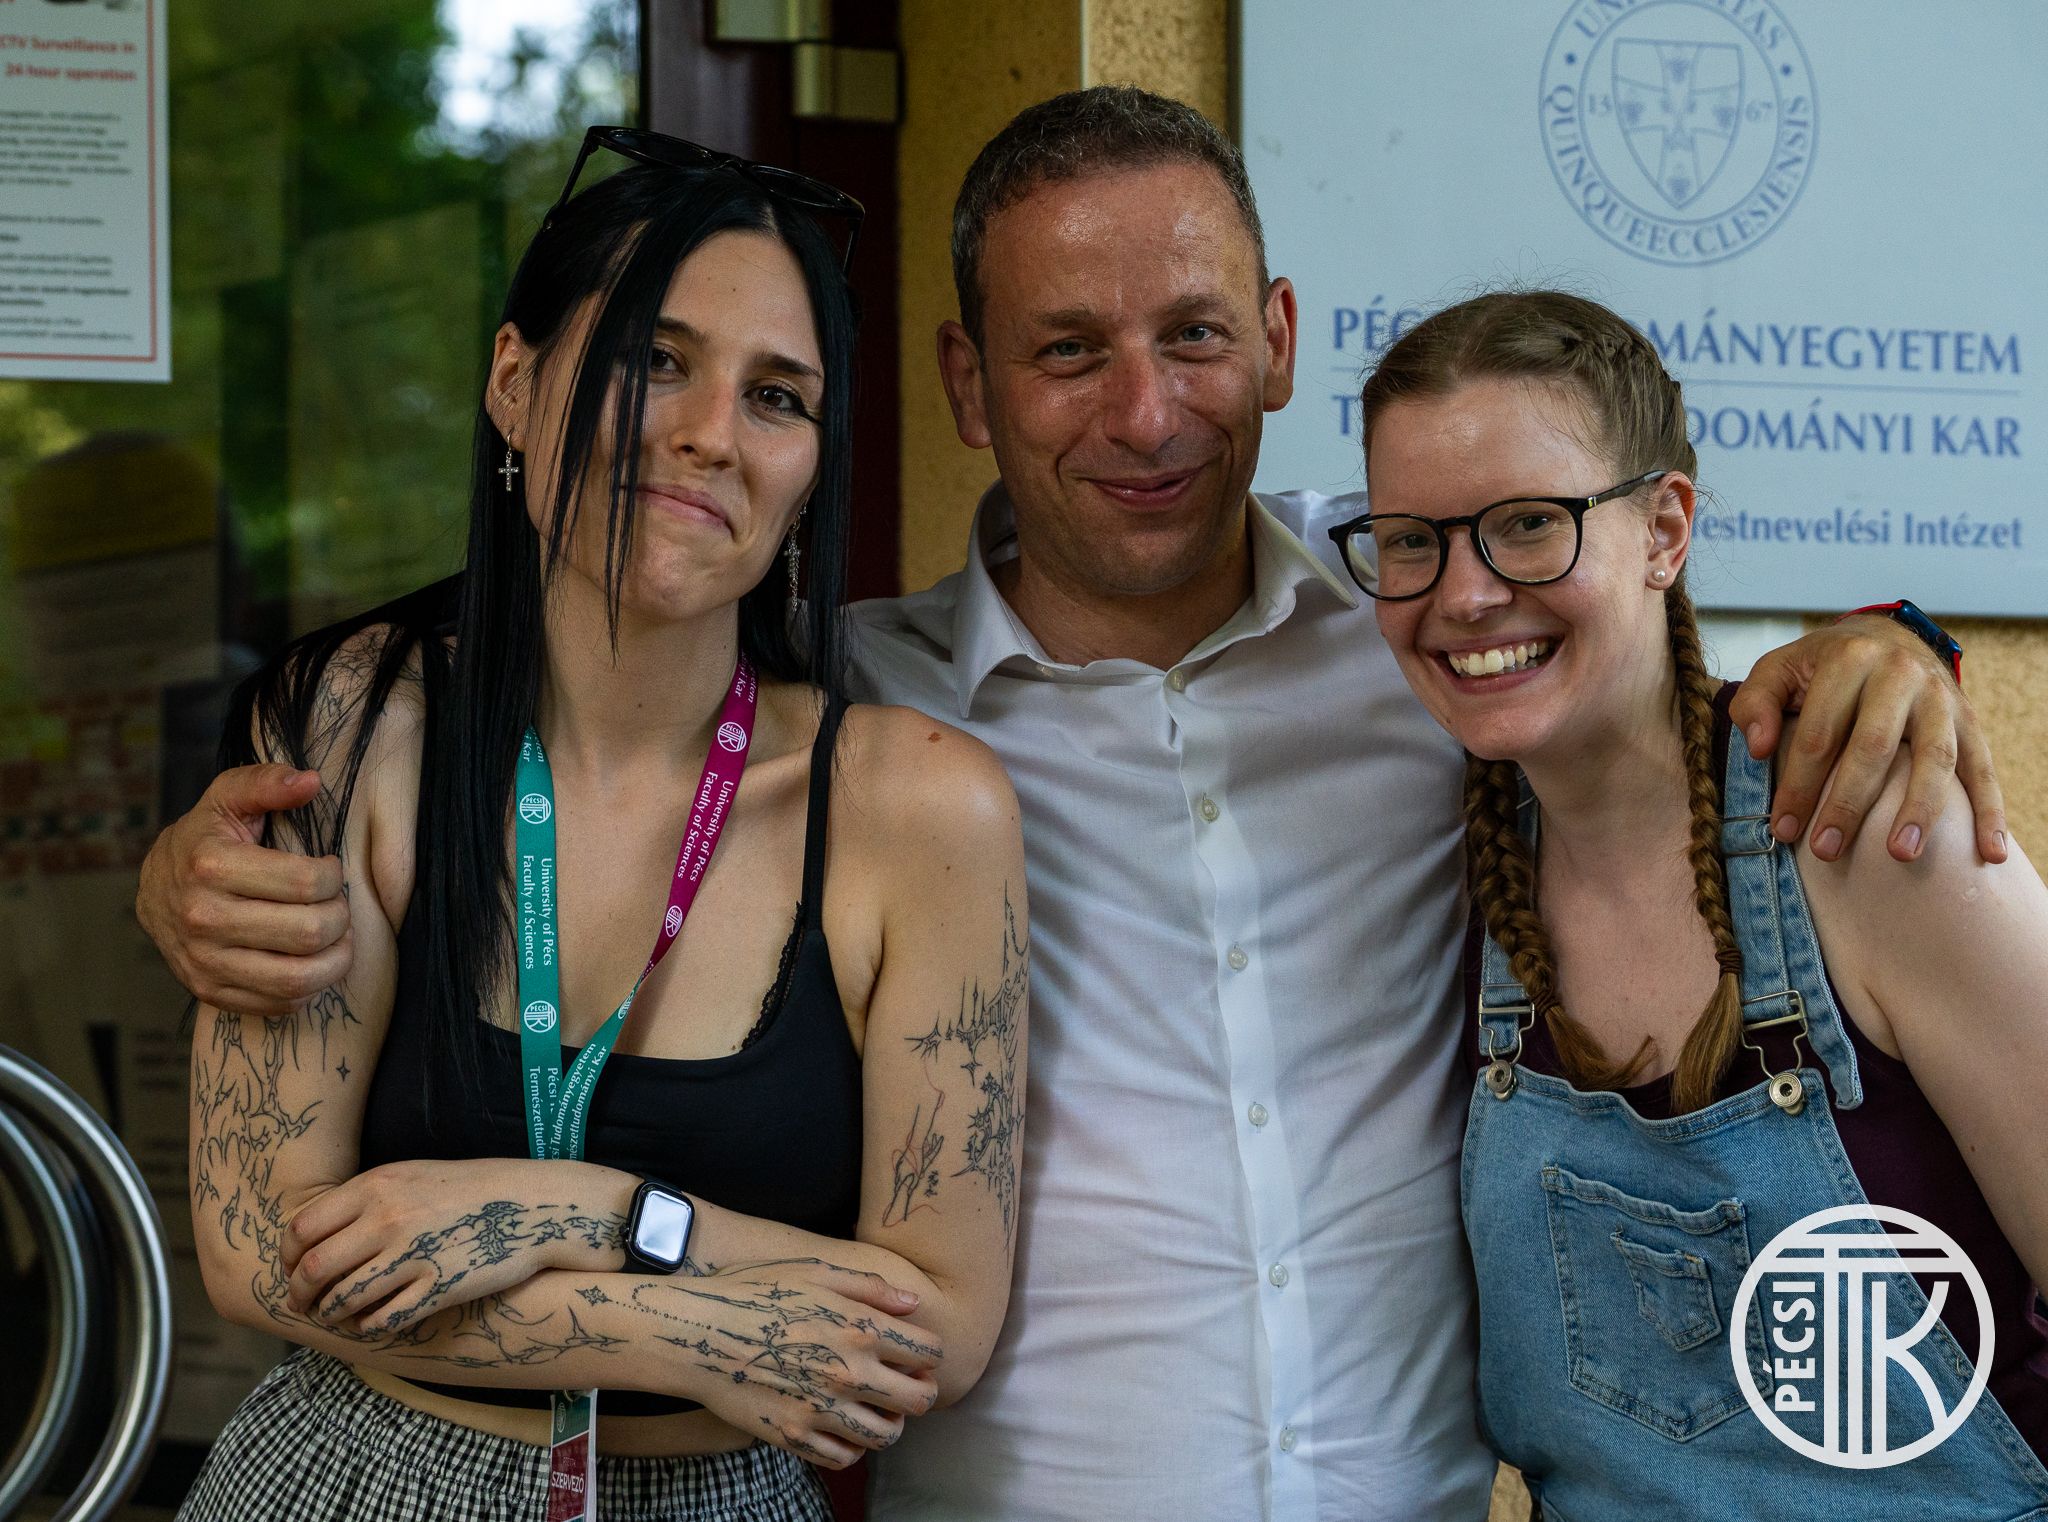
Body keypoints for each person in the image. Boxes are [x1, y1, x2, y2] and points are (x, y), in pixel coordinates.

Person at [143, 93, 1997, 1521]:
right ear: (964, 382)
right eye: (1064, 350)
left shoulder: (1427, 640)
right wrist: (186, 868)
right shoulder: (866, 708)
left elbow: (1632, 664)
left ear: (1277, 339)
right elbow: (574, 690)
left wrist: (1892, 645)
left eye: (1194, 336)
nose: (1146, 412)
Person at [177, 128, 1027, 1522]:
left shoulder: (920, 808)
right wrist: (686, 1328)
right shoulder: (354, 725)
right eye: (655, 357)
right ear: (513, 387)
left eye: (777, 395)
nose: (711, 433)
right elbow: (258, 1245)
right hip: (348, 1476)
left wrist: (568, 1210)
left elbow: (931, 1326)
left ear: (812, 468)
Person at [1344, 289, 2048, 1518]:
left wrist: (1892, 640)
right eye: (1412, 541)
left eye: (1527, 524)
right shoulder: (1443, 880)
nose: (1462, 594)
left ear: (1662, 530)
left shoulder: (1862, 828)